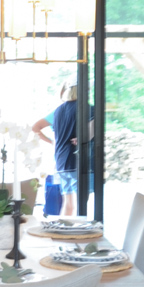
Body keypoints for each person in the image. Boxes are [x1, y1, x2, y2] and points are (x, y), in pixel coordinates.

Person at [32, 82, 83, 216]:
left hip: (60, 158)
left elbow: (35, 127)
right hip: (73, 159)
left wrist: (52, 142)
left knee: (68, 202)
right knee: (77, 202)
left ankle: (63, 227)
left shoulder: (57, 111)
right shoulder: (81, 109)